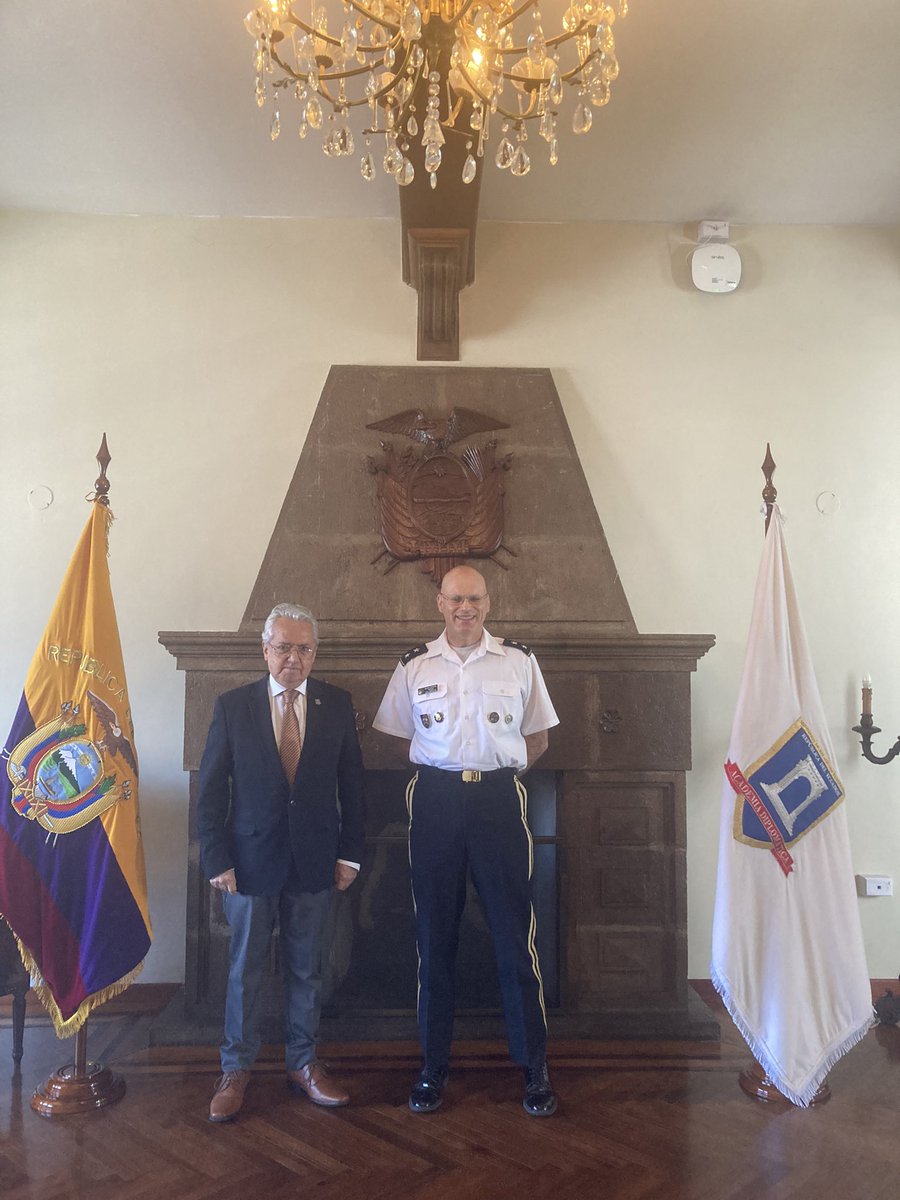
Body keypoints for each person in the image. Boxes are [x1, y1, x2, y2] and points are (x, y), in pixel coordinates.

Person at [373, 565, 560, 1117]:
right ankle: (432, 1067)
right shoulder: (414, 666)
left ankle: (534, 1068)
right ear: (439, 603)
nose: (465, 608)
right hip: (434, 802)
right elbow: (397, 737)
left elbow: (539, 737)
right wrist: (448, 777)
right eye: (455, 598)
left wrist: (496, 777)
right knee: (434, 940)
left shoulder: (519, 661)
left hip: (499, 803)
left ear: (487, 601)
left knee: (514, 940)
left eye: (474, 598)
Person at [197, 601, 366, 1122]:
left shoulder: (337, 705)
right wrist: (216, 858)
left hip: (316, 861)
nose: (294, 657)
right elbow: (209, 791)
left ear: (315, 653)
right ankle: (237, 1068)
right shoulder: (233, 706)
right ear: (265, 650)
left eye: (304, 648)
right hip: (247, 863)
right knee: (244, 968)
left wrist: (350, 855)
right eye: (284, 647)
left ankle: (303, 1062)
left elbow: (353, 788)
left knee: (307, 968)